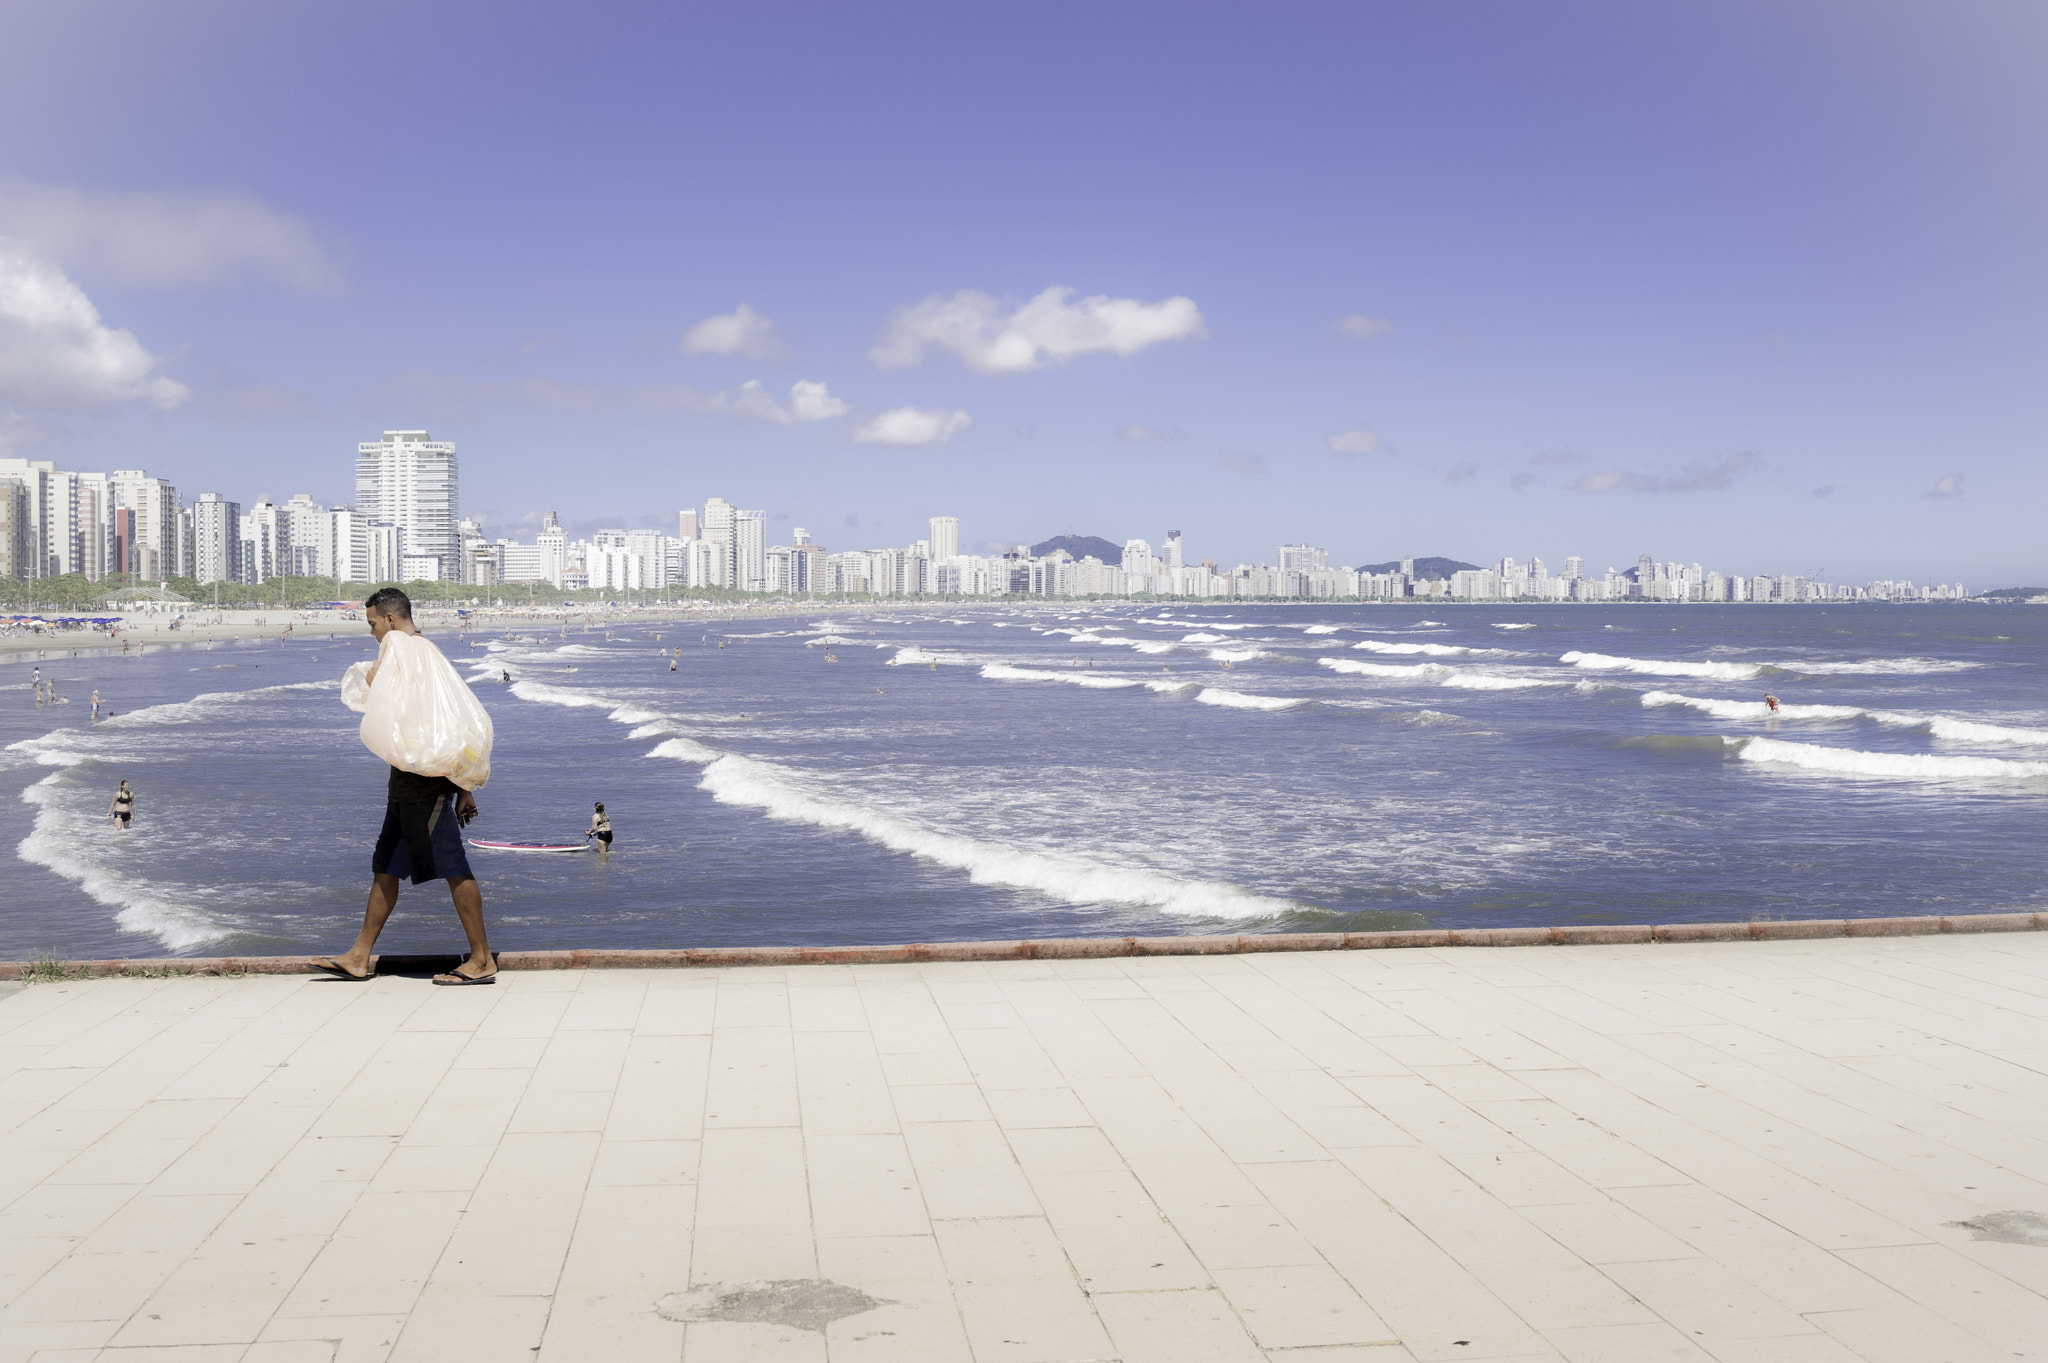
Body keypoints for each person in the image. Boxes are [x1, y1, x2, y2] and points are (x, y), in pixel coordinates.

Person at [313, 587, 497, 987]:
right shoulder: (427, 653)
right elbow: (451, 721)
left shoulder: (399, 647)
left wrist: (461, 788)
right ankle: (359, 957)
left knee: (454, 868)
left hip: (424, 789)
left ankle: (482, 959)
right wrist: (464, 786)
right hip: (405, 787)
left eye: (374, 624)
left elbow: (434, 721)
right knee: (385, 869)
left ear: (391, 620)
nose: (374, 633)